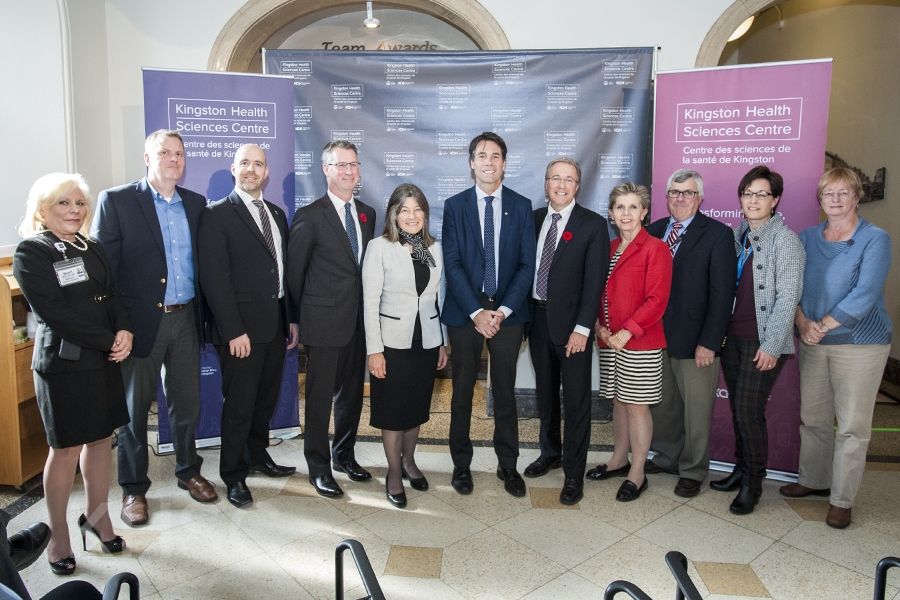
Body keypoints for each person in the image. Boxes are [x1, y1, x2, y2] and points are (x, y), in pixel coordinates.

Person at [92, 129, 217, 527]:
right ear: (147, 158)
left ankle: (188, 470)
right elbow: (104, 273)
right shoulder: (117, 201)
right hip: (140, 324)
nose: (173, 159)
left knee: (186, 402)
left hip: (185, 319)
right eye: (164, 152)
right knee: (133, 410)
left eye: (179, 153)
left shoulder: (196, 204)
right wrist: (119, 326)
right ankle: (133, 488)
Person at [13, 173, 130, 575]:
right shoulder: (32, 251)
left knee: (100, 441)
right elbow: (54, 313)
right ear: (43, 210)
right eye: (64, 203)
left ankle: (98, 518)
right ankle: (58, 537)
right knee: (64, 450)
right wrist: (107, 339)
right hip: (63, 365)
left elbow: (113, 295)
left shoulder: (91, 246)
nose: (74, 210)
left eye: (79, 203)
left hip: (101, 359)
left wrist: (125, 330)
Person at [780, 167, 892, 529]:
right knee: (813, 418)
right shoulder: (808, 237)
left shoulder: (875, 238)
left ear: (857, 196)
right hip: (813, 339)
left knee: (851, 427)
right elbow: (792, 284)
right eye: (829, 193)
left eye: (844, 193)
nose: (837, 199)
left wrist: (822, 326)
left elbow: (865, 294)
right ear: (821, 199)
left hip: (859, 344)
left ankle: (842, 499)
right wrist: (801, 322)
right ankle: (813, 479)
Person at [198, 144, 298, 509]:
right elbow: (215, 280)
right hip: (240, 332)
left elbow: (281, 272)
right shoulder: (217, 214)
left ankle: (258, 456)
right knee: (239, 405)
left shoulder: (276, 213)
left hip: (274, 324)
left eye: (258, 164)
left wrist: (291, 319)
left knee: (264, 399)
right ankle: (233, 474)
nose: (251, 170)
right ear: (233, 168)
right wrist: (232, 330)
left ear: (266, 171)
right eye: (245, 163)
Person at [441, 132, 536, 498]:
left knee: (505, 392)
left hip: (509, 315)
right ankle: (461, 465)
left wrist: (502, 310)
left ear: (504, 163)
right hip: (466, 313)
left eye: (495, 156)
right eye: (481, 155)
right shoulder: (455, 206)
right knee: (462, 389)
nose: (488, 162)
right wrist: (478, 311)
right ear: (471, 163)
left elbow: (527, 265)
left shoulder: (521, 205)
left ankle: (508, 465)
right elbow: (452, 262)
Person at [711, 165, 804, 515]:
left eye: (761, 194)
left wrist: (772, 344)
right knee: (738, 408)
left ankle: (753, 483)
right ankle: (739, 469)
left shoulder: (786, 240)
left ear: (775, 200)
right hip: (732, 337)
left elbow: (788, 296)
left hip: (762, 340)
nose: (753, 200)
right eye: (748, 193)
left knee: (749, 412)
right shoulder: (740, 237)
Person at [287, 140, 376, 498]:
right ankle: (318, 467)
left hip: (360, 323)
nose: (348, 172)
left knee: (352, 396)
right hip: (323, 325)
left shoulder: (368, 213)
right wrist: (294, 321)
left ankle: (344, 456)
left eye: (353, 165)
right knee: (320, 398)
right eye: (340, 165)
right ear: (325, 170)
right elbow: (294, 276)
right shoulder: (309, 216)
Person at [644, 169, 736, 498]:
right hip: (655, 337)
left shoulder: (717, 235)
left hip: (697, 341)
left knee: (696, 411)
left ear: (699, 198)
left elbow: (723, 295)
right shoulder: (652, 232)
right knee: (664, 405)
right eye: (674, 193)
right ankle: (668, 456)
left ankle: (693, 469)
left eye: (687, 193)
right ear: (666, 197)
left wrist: (710, 342)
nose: (680, 199)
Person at [523, 158, 608, 505]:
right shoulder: (534, 220)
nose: (561, 185)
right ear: (546, 183)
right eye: (555, 178)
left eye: (568, 179)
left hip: (574, 329)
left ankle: (574, 473)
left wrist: (583, 328)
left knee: (575, 401)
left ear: (578, 186)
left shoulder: (593, 224)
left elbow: (594, 283)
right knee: (545, 394)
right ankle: (550, 452)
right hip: (537, 320)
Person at [362, 183, 449, 508]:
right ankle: (394, 472)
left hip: (425, 342)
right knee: (392, 411)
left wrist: (441, 342)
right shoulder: (380, 247)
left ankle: (411, 461)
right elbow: (369, 303)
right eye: (404, 210)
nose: (411, 216)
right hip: (391, 344)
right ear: (394, 215)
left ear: (425, 213)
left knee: (415, 409)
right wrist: (374, 350)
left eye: (417, 209)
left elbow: (437, 300)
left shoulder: (433, 248)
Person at [586, 182, 671, 502]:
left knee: (637, 406)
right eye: (620, 207)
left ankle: (638, 472)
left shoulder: (655, 249)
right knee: (619, 402)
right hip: (609, 341)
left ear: (645, 212)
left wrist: (628, 330)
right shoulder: (607, 248)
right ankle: (618, 460)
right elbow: (598, 293)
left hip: (640, 342)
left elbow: (657, 298)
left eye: (633, 207)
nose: (626, 213)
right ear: (610, 213)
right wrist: (599, 326)